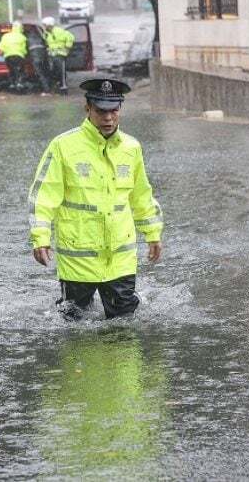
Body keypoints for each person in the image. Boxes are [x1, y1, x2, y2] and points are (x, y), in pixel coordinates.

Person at [28, 78, 163, 320]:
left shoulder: (131, 147)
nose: (108, 118)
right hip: (78, 260)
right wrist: (40, 238)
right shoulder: (63, 146)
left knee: (124, 327)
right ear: (87, 109)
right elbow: (44, 195)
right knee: (74, 326)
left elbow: (141, 194)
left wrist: (153, 234)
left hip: (120, 258)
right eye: (101, 111)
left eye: (114, 110)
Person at [41, 16, 75, 94]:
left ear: (49, 25)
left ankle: (63, 88)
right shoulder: (46, 34)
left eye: (44, 25)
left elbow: (70, 37)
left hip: (60, 54)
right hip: (52, 55)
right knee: (53, 71)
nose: (44, 27)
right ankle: (57, 86)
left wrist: (67, 47)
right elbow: (46, 43)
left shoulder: (59, 31)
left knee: (61, 72)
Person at [0, 21, 28, 92]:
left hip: (8, 57)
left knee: (11, 71)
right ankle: (20, 84)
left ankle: (12, 84)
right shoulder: (22, 37)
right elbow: (24, 49)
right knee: (20, 71)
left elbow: (0, 48)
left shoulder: (5, 36)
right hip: (19, 56)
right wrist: (25, 54)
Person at [28, 29, 50, 95]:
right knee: (44, 73)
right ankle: (47, 88)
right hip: (42, 58)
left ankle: (46, 90)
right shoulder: (42, 37)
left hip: (34, 59)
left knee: (40, 74)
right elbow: (47, 47)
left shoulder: (27, 39)